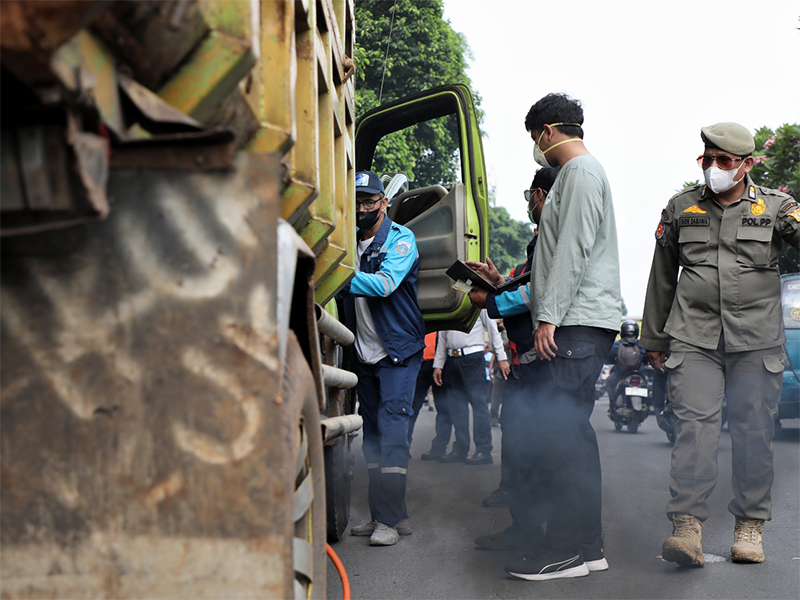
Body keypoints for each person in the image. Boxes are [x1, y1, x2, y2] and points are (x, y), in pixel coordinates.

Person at [641, 122, 800, 567]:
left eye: (723, 160)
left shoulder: (777, 207)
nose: (713, 167)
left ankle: (750, 525)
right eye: (706, 159)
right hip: (693, 337)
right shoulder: (681, 208)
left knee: (754, 433)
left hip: (756, 342)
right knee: (693, 430)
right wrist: (653, 337)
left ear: (747, 164)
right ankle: (687, 526)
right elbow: (661, 276)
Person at [501, 93, 622, 581]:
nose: (537, 150)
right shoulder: (583, 175)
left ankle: (569, 550)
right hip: (579, 320)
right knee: (571, 434)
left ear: (547, 131)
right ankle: (587, 547)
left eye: (535, 139)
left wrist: (547, 316)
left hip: (575, 322)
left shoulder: (578, 174)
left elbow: (571, 249)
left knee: (561, 438)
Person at [340, 170, 425, 547]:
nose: (362, 209)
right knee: (372, 437)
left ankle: (388, 520)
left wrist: (339, 274)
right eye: (356, 202)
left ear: (384, 202)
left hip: (398, 351)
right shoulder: (348, 240)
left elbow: (386, 284)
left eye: (369, 202)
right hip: (365, 354)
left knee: (392, 432)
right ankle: (387, 516)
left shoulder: (401, 239)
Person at [467, 166, 559, 510]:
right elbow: (521, 285)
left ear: (539, 196)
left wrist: (491, 300)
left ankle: (535, 507)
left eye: (529, 198)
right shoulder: (533, 254)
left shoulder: (555, 240)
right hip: (523, 360)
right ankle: (516, 494)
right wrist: (497, 280)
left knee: (535, 434)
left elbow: (534, 294)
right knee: (515, 427)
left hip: (540, 360)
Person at [421, 310, 509, 465]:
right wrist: (438, 365)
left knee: (479, 405)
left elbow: (493, 330)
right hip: (451, 359)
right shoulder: (446, 304)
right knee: (457, 407)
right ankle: (460, 449)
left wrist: (501, 358)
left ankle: (483, 450)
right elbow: (442, 337)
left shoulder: (477, 303)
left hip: (472, 358)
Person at [604, 320, 647, 402]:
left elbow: (607, 359)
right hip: (640, 374)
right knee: (648, 385)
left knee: (609, 382)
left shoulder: (616, 345)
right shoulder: (642, 344)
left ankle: (613, 403)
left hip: (621, 374)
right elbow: (647, 359)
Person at [408, 332, 437, 447]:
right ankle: (405, 443)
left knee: (444, 408)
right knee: (413, 405)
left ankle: (439, 448)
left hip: (438, 361)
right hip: (420, 361)